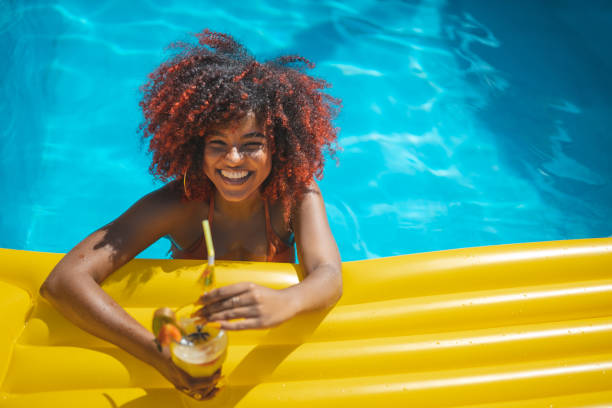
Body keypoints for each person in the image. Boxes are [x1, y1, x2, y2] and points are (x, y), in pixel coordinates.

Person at [39, 29, 343, 401]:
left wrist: (287, 301)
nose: (233, 160)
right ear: (196, 148)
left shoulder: (295, 195)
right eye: (218, 144)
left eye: (252, 146)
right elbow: (64, 280)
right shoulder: (178, 205)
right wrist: (158, 354)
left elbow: (329, 275)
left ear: (277, 150)